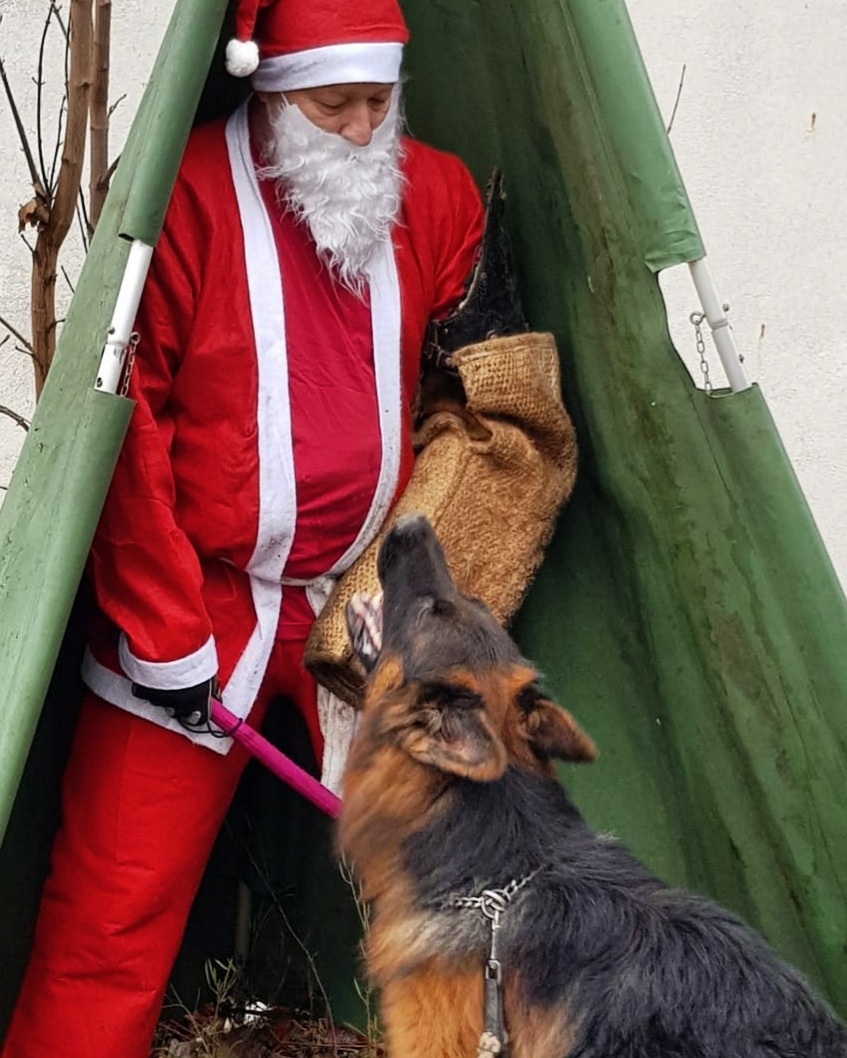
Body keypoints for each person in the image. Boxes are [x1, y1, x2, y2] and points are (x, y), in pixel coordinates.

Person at [0, 0, 484, 1055]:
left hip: (365, 605)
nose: (364, 128)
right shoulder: (186, 201)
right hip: (200, 602)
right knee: (112, 914)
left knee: (457, 888)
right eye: (335, 103)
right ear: (271, 92)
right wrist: (163, 629)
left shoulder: (436, 193)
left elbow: (481, 382)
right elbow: (124, 424)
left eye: (380, 99)